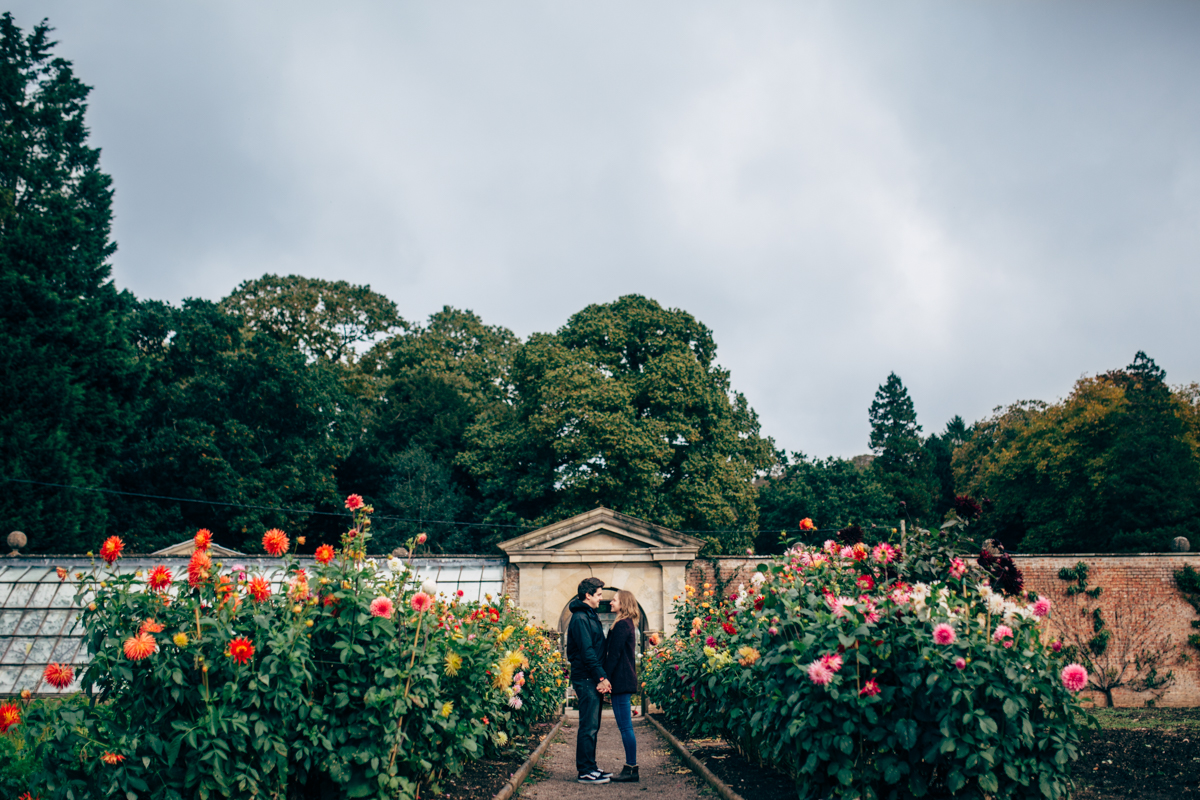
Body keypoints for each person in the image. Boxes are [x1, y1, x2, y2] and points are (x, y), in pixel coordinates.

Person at [567, 576, 612, 784]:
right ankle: (585, 771)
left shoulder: (588, 615)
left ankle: (591, 766)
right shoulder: (580, 618)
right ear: (588, 595)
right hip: (586, 678)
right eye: (599, 594)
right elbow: (587, 651)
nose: (601, 599)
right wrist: (600, 677)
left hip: (589, 676)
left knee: (593, 725)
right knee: (588, 725)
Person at [604, 589, 640, 783]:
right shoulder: (626, 624)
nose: (611, 601)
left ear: (623, 603)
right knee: (625, 726)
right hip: (623, 680)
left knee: (625, 727)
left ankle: (632, 768)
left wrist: (605, 679)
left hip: (621, 680)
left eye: (615, 599)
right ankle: (631, 767)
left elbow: (614, 655)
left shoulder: (622, 625)